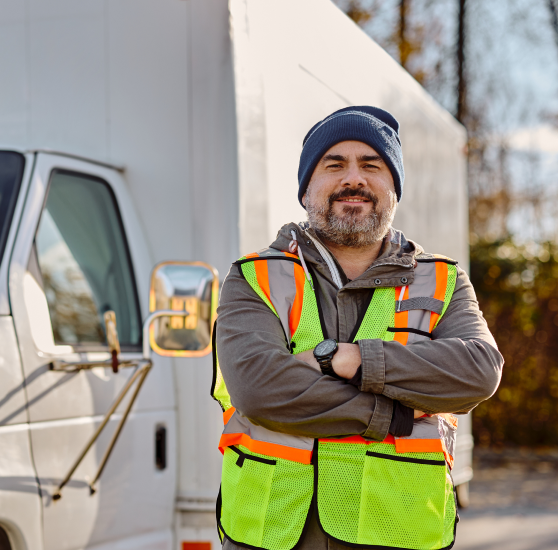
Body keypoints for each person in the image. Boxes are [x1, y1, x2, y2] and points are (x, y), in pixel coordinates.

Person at [211, 106, 503, 550]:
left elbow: (478, 372)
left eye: (372, 165)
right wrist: (393, 413)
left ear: (394, 188)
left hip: (398, 537)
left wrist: (354, 359)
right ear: (307, 187)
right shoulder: (253, 277)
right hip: (273, 537)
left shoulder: (443, 280)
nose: (354, 179)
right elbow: (259, 391)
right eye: (334, 164)